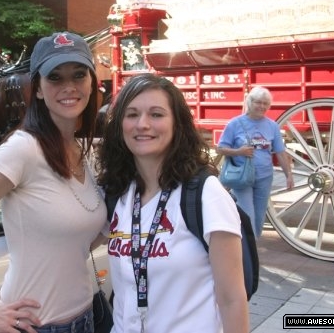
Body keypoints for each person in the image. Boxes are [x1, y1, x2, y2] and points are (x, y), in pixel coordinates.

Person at [0, 31, 106, 333]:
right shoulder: (22, 149)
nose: (69, 87)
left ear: (91, 82)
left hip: (84, 317)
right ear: (37, 88)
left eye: (79, 75)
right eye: (55, 77)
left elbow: (73, 241)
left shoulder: (82, 152)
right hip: (36, 326)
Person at [97, 73, 248, 333]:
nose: (142, 124)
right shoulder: (116, 192)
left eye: (156, 114)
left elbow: (232, 298)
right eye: (132, 114)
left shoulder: (205, 194)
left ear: (177, 124)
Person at [216, 86, 294, 237]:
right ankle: (246, 250)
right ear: (250, 102)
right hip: (242, 177)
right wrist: (239, 152)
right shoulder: (235, 123)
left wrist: (288, 175)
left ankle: (253, 248)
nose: (262, 106)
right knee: (247, 214)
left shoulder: (272, 126)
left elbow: (280, 152)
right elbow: (220, 149)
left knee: (259, 217)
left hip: (264, 177)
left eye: (265, 103)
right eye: (258, 102)